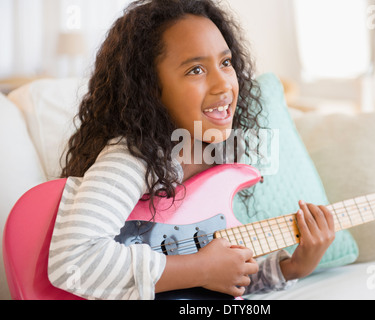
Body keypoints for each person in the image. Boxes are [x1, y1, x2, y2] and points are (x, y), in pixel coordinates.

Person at [48, 0, 335, 300]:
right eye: (196, 69)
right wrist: (201, 269)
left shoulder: (214, 154)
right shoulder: (131, 158)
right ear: (149, 88)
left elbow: (218, 278)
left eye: (226, 63)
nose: (223, 83)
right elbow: (74, 260)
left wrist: (293, 267)